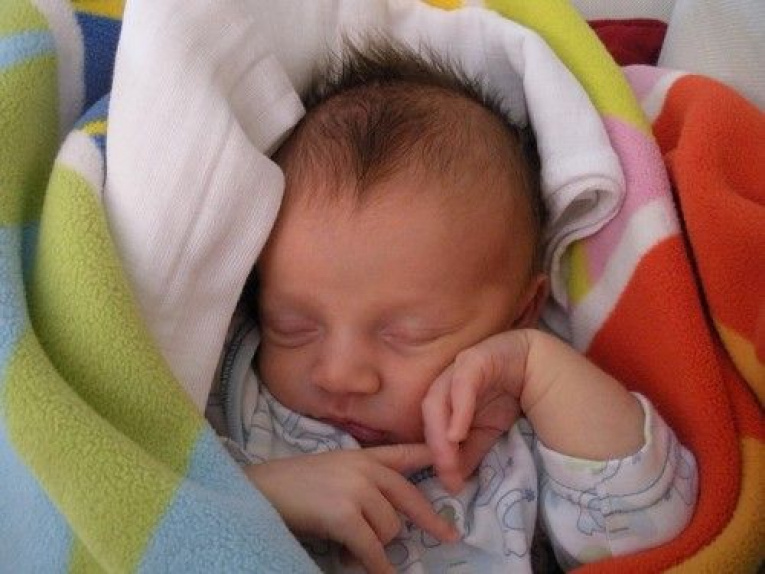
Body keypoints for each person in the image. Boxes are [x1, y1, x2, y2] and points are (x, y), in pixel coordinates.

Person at [212, 41, 698, 573]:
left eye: (408, 334)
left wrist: (537, 367)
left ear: (520, 314)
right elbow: (151, 492)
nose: (340, 375)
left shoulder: (529, 442)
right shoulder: (235, 395)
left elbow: (654, 531)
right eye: (292, 326)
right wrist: (259, 493)